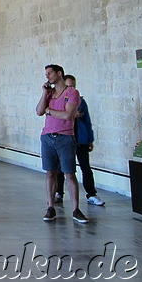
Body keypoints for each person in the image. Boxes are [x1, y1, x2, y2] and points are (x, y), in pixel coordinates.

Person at [37, 64, 89, 223]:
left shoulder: (72, 92)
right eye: (46, 74)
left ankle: (75, 209)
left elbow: (68, 115)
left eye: (50, 73)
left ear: (59, 74)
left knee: (69, 173)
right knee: (50, 172)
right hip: (47, 136)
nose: (48, 76)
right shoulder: (50, 93)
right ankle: (51, 207)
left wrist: (50, 111)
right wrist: (44, 93)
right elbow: (39, 111)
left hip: (65, 137)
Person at [55, 75, 105, 206]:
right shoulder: (59, 100)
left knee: (85, 168)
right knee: (61, 168)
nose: (72, 88)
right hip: (66, 139)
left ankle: (91, 194)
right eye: (69, 86)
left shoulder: (81, 102)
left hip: (80, 139)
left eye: (74, 86)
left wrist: (90, 139)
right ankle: (58, 192)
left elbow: (87, 121)